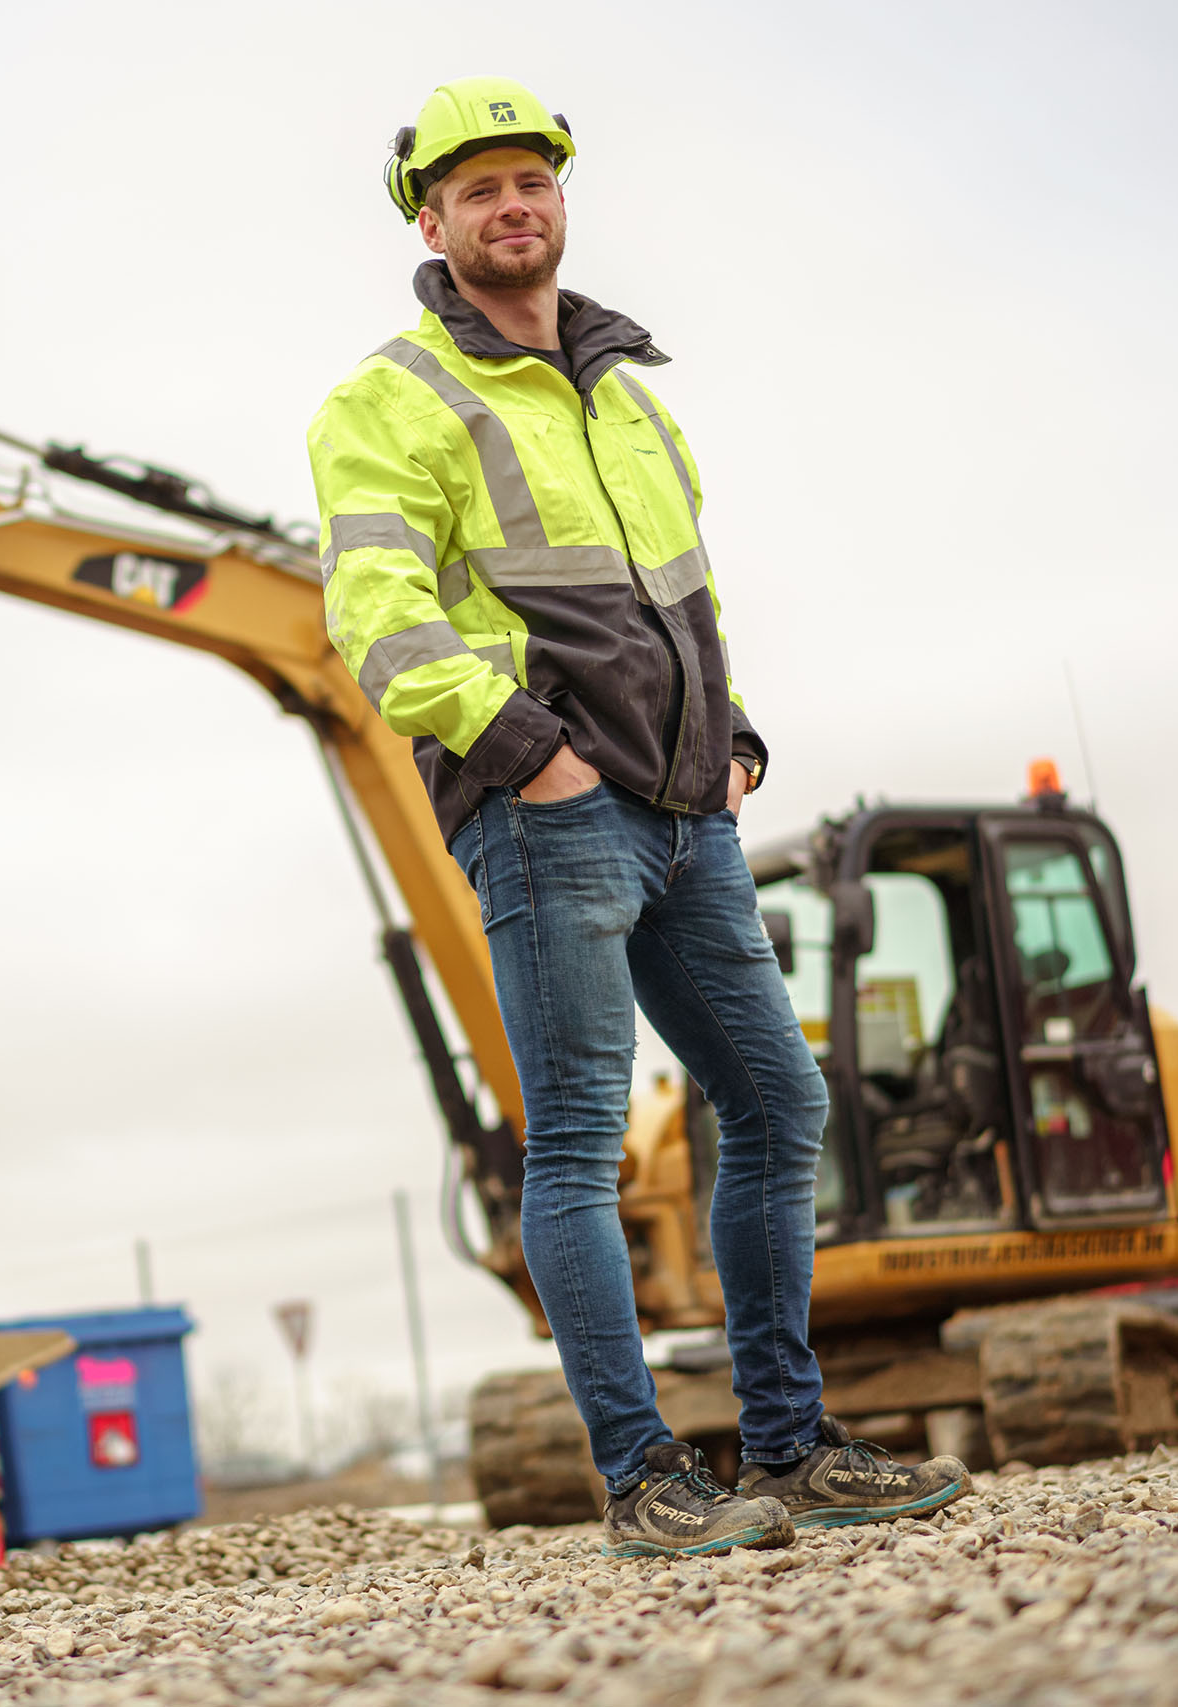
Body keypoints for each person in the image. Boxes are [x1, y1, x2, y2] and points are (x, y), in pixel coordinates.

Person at [307, 77, 968, 1558]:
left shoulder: (629, 394)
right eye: (476, 188)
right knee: (579, 1149)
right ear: (431, 219)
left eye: (529, 178)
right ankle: (642, 1480)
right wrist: (531, 754)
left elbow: (686, 599)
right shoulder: (390, 400)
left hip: (688, 817)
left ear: (561, 197)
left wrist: (729, 735)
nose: (510, 204)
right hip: (554, 821)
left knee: (780, 1104)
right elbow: (378, 617)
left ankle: (787, 1448)